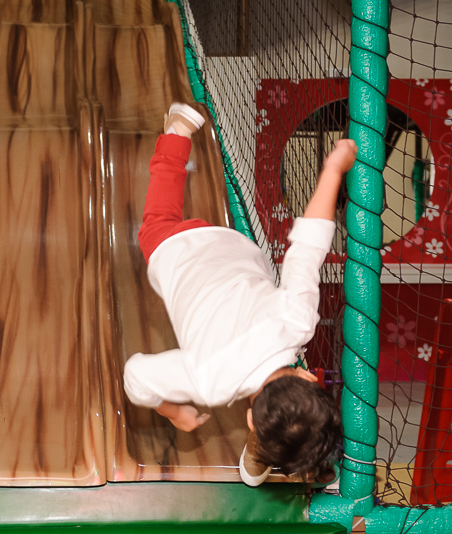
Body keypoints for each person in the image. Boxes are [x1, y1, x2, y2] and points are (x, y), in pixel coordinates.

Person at [123, 102, 354, 485]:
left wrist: (332, 170)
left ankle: (179, 133)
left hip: (236, 249)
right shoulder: (208, 380)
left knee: (287, 403)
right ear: (249, 419)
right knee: (157, 221)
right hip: (174, 251)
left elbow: (307, 249)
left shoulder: (297, 320)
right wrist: (172, 410)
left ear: (312, 379)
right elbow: (135, 374)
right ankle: (177, 131)